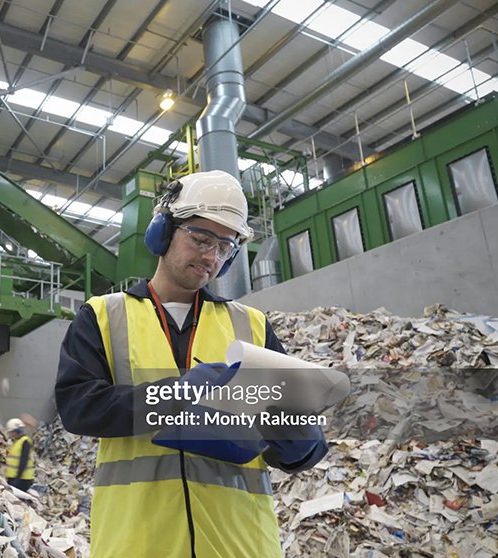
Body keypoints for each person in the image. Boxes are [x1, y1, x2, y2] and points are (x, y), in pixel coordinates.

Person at [55, 171, 328, 558]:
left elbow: (289, 426)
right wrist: (173, 396)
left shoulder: (251, 325)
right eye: (201, 240)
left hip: (241, 547)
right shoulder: (103, 316)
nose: (212, 257)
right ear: (162, 232)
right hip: (140, 546)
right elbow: (78, 407)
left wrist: (302, 449)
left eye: (225, 247)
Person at [4, 417, 35, 492]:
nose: (10, 434)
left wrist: (18, 477)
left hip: (22, 479)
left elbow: (23, 461)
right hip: (13, 478)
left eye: (12, 432)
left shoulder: (25, 442)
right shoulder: (15, 442)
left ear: (17, 431)